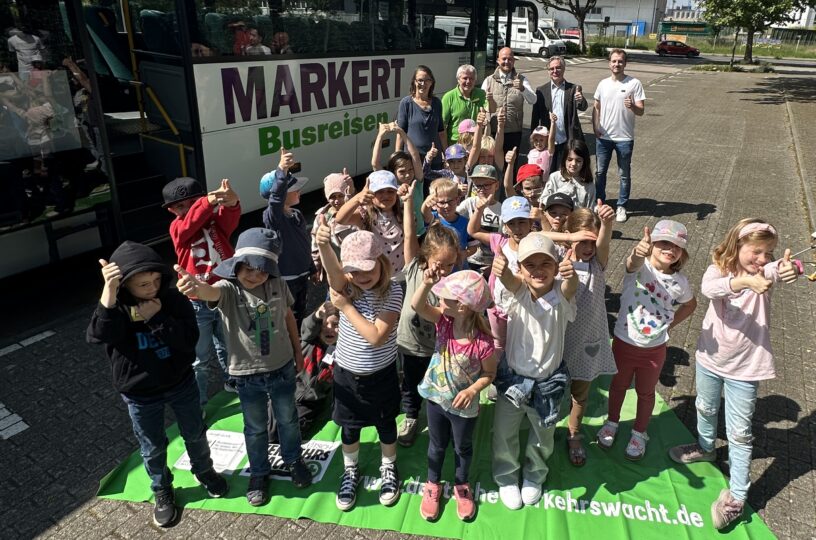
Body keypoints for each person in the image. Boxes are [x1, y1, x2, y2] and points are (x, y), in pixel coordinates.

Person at [668, 219, 800, 530]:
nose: (762, 260)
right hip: (711, 359)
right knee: (705, 407)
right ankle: (705, 448)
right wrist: (744, 283)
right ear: (736, 246)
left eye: (768, 253)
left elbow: (784, 268)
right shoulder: (719, 269)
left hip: (746, 368)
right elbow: (709, 288)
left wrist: (790, 266)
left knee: (740, 434)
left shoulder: (765, 271)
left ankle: (737, 496)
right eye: (756, 252)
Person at [86, 241, 228, 528]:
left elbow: (188, 342)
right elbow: (99, 334)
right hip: (140, 393)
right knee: (152, 446)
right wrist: (109, 292)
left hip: (181, 383)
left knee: (195, 433)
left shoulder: (172, 300)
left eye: (155, 281)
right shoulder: (116, 307)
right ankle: (162, 490)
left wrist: (158, 317)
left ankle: (205, 471)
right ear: (126, 285)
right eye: (142, 284)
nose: (151, 288)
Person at [175, 228, 313, 507]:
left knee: (288, 420)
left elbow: (288, 319)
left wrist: (299, 353)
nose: (255, 275)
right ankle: (259, 472)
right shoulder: (228, 289)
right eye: (248, 268)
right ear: (236, 265)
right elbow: (208, 291)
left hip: (282, 368)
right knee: (255, 427)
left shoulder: (278, 285)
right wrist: (195, 287)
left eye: (262, 270)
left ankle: (294, 460)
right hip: (246, 375)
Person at [313, 223, 404, 511]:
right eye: (354, 270)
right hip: (346, 376)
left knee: (386, 424)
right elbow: (333, 274)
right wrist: (325, 246)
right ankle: (350, 470)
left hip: (382, 375)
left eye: (368, 269)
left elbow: (376, 337)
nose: (361, 277)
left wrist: (346, 308)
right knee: (349, 429)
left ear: (382, 263)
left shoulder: (393, 292)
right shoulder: (347, 285)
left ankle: (388, 467)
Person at [490, 233, 577, 510]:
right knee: (504, 432)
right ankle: (505, 477)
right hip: (513, 380)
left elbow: (571, 287)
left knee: (543, 436)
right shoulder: (517, 294)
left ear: (557, 266)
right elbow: (509, 281)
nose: (538, 270)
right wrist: (501, 269)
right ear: (520, 269)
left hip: (548, 384)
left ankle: (534, 475)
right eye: (531, 265)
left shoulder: (562, 295)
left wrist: (571, 275)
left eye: (546, 263)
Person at [597, 220, 697, 460]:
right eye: (662, 242)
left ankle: (639, 432)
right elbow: (631, 263)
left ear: (682, 253)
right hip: (623, 342)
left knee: (646, 392)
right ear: (651, 243)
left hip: (654, 349)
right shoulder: (641, 268)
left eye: (676, 246)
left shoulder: (680, 282)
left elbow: (690, 305)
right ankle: (612, 422)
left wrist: (670, 324)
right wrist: (637, 251)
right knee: (618, 385)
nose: (669, 249)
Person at [412, 269, 497, 521]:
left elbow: (489, 374)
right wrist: (427, 284)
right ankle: (433, 483)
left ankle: (461, 485)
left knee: (462, 447)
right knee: (436, 446)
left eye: (445, 296)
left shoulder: (483, 343)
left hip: (464, 409)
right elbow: (417, 305)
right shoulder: (443, 322)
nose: (440, 299)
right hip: (436, 401)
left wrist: (472, 390)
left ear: (461, 306)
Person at [163, 176, 240, 408]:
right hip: (197, 302)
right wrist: (205, 202)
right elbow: (189, 224)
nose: (187, 209)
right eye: (180, 206)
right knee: (200, 358)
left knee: (228, 345)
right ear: (171, 210)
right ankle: (198, 402)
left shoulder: (214, 221)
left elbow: (231, 218)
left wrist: (231, 202)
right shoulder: (177, 227)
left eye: (192, 202)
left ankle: (233, 382)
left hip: (224, 294)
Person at [396, 205, 461, 447]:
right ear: (425, 257)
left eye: (450, 265)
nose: (443, 270)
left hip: (438, 350)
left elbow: (438, 316)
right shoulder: (414, 267)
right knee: (410, 385)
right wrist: (407, 202)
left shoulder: (453, 284)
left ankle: (443, 420)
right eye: (439, 264)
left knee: (439, 388)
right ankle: (411, 417)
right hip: (410, 344)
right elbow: (409, 233)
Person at [561, 204, 618, 466]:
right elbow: (532, 238)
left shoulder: (597, 263)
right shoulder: (557, 259)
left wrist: (606, 225)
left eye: (591, 242)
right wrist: (568, 239)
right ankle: (546, 428)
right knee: (553, 389)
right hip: (558, 340)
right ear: (569, 235)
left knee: (580, 393)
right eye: (582, 240)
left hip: (587, 341)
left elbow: (604, 243)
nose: (587, 247)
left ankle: (574, 433)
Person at [467, 195, 534, 358]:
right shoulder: (499, 240)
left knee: (521, 342)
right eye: (511, 223)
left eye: (522, 222)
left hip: (523, 308)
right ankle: (497, 375)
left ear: (531, 223)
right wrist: (479, 210)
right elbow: (473, 231)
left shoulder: (534, 245)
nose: (517, 228)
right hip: (498, 305)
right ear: (504, 225)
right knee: (498, 343)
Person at [269, 301, 339, 442]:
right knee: (269, 432)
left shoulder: (344, 350)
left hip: (310, 403)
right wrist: (318, 315)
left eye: (336, 325)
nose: (329, 328)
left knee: (290, 437)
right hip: (286, 391)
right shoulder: (309, 341)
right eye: (324, 324)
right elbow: (308, 326)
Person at [260, 148, 316, 327]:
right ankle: (290, 346)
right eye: (293, 189)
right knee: (287, 317)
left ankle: (299, 343)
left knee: (301, 311)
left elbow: (304, 244)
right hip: (286, 280)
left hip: (302, 276)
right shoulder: (273, 217)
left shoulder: (297, 214)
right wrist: (281, 171)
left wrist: (311, 268)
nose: (298, 191)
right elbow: (275, 199)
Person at [592, 49, 645, 223]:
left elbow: (641, 111)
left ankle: (621, 206)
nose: (617, 64)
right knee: (600, 172)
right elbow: (596, 107)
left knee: (624, 174)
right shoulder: (602, 84)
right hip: (604, 137)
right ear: (609, 63)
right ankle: (600, 202)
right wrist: (595, 127)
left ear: (625, 63)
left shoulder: (634, 83)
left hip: (624, 138)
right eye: (614, 61)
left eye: (620, 61)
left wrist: (632, 106)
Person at [334, 170, 406, 280]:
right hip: (375, 277)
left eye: (390, 191)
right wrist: (357, 198)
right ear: (371, 193)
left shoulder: (403, 212)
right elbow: (340, 219)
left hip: (400, 275)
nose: (385, 195)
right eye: (380, 191)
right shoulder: (364, 214)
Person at [530, 56, 587, 173]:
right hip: (547, 142)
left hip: (567, 140)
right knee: (546, 173)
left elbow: (583, 106)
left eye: (558, 68)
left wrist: (580, 99)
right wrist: (533, 139)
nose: (555, 71)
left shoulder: (572, 89)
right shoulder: (541, 90)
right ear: (548, 71)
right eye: (552, 69)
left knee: (566, 173)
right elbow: (535, 117)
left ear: (564, 69)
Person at [372, 121, 426, 235]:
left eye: (410, 170)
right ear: (392, 172)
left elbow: (415, 155)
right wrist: (380, 135)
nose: (407, 174)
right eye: (402, 171)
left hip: (420, 233)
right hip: (400, 237)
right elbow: (375, 163)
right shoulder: (390, 187)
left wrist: (402, 132)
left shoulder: (416, 183)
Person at [481, 47, 536, 154]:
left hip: (513, 132)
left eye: (510, 59)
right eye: (504, 59)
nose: (507, 62)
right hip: (493, 131)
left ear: (514, 61)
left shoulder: (522, 80)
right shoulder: (488, 80)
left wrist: (522, 89)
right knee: (493, 165)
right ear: (498, 61)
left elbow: (533, 100)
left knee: (511, 165)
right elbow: (481, 106)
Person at [397, 65, 447, 169]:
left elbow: (441, 132)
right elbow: (400, 133)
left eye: (427, 80)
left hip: (435, 159)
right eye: (420, 80)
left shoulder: (437, 103)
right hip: (413, 161)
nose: (423, 84)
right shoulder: (406, 103)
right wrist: (397, 157)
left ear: (432, 82)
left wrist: (447, 156)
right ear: (414, 82)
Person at [455, 164, 502, 274]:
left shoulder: (501, 209)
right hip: (469, 260)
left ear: (496, 185)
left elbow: (502, 239)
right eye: (477, 185)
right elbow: (452, 217)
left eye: (487, 185)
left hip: (492, 263)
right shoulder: (469, 203)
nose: (481, 190)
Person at [311, 171, 355, 282]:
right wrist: (316, 267)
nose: (337, 200)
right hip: (333, 266)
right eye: (332, 197)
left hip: (354, 264)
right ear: (327, 197)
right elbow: (316, 244)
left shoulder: (354, 212)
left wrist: (351, 193)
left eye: (341, 196)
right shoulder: (322, 216)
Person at [420, 178, 473, 268]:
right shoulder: (434, 219)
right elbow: (424, 213)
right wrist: (426, 203)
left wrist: (462, 255)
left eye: (450, 201)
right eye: (441, 202)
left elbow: (474, 247)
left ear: (457, 200)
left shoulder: (466, 222)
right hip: (438, 269)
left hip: (459, 269)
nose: (446, 206)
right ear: (434, 204)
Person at [540, 139, 596, 210]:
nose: (573, 164)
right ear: (564, 159)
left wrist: (599, 210)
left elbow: (590, 210)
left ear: (584, 162)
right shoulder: (554, 177)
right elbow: (543, 200)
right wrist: (559, 197)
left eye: (578, 160)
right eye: (570, 159)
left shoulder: (589, 185)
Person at [441, 64, 486, 144]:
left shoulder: (481, 94)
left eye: (471, 78)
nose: (468, 81)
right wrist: (445, 150)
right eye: (465, 78)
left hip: (476, 143)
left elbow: (491, 110)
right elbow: (442, 127)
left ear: (475, 80)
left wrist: (491, 100)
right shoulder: (448, 97)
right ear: (458, 79)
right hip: (455, 145)